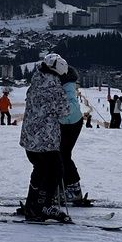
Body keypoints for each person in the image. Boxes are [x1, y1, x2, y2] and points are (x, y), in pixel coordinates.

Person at [17, 54, 71, 222]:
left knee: (39, 170)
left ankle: (32, 205)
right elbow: (65, 111)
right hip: (46, 140)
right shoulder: (54, 88)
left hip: (29, 138)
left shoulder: (36, 81)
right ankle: (43, 206)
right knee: (55, 171)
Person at [58, 65, 85, 204]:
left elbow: (69, 110)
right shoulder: (68, 86)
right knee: (62, 155)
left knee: (63, 155)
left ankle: (73, 188)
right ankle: (66, 186)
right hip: (73, 123)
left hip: (70, 123)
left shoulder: (66, 88)